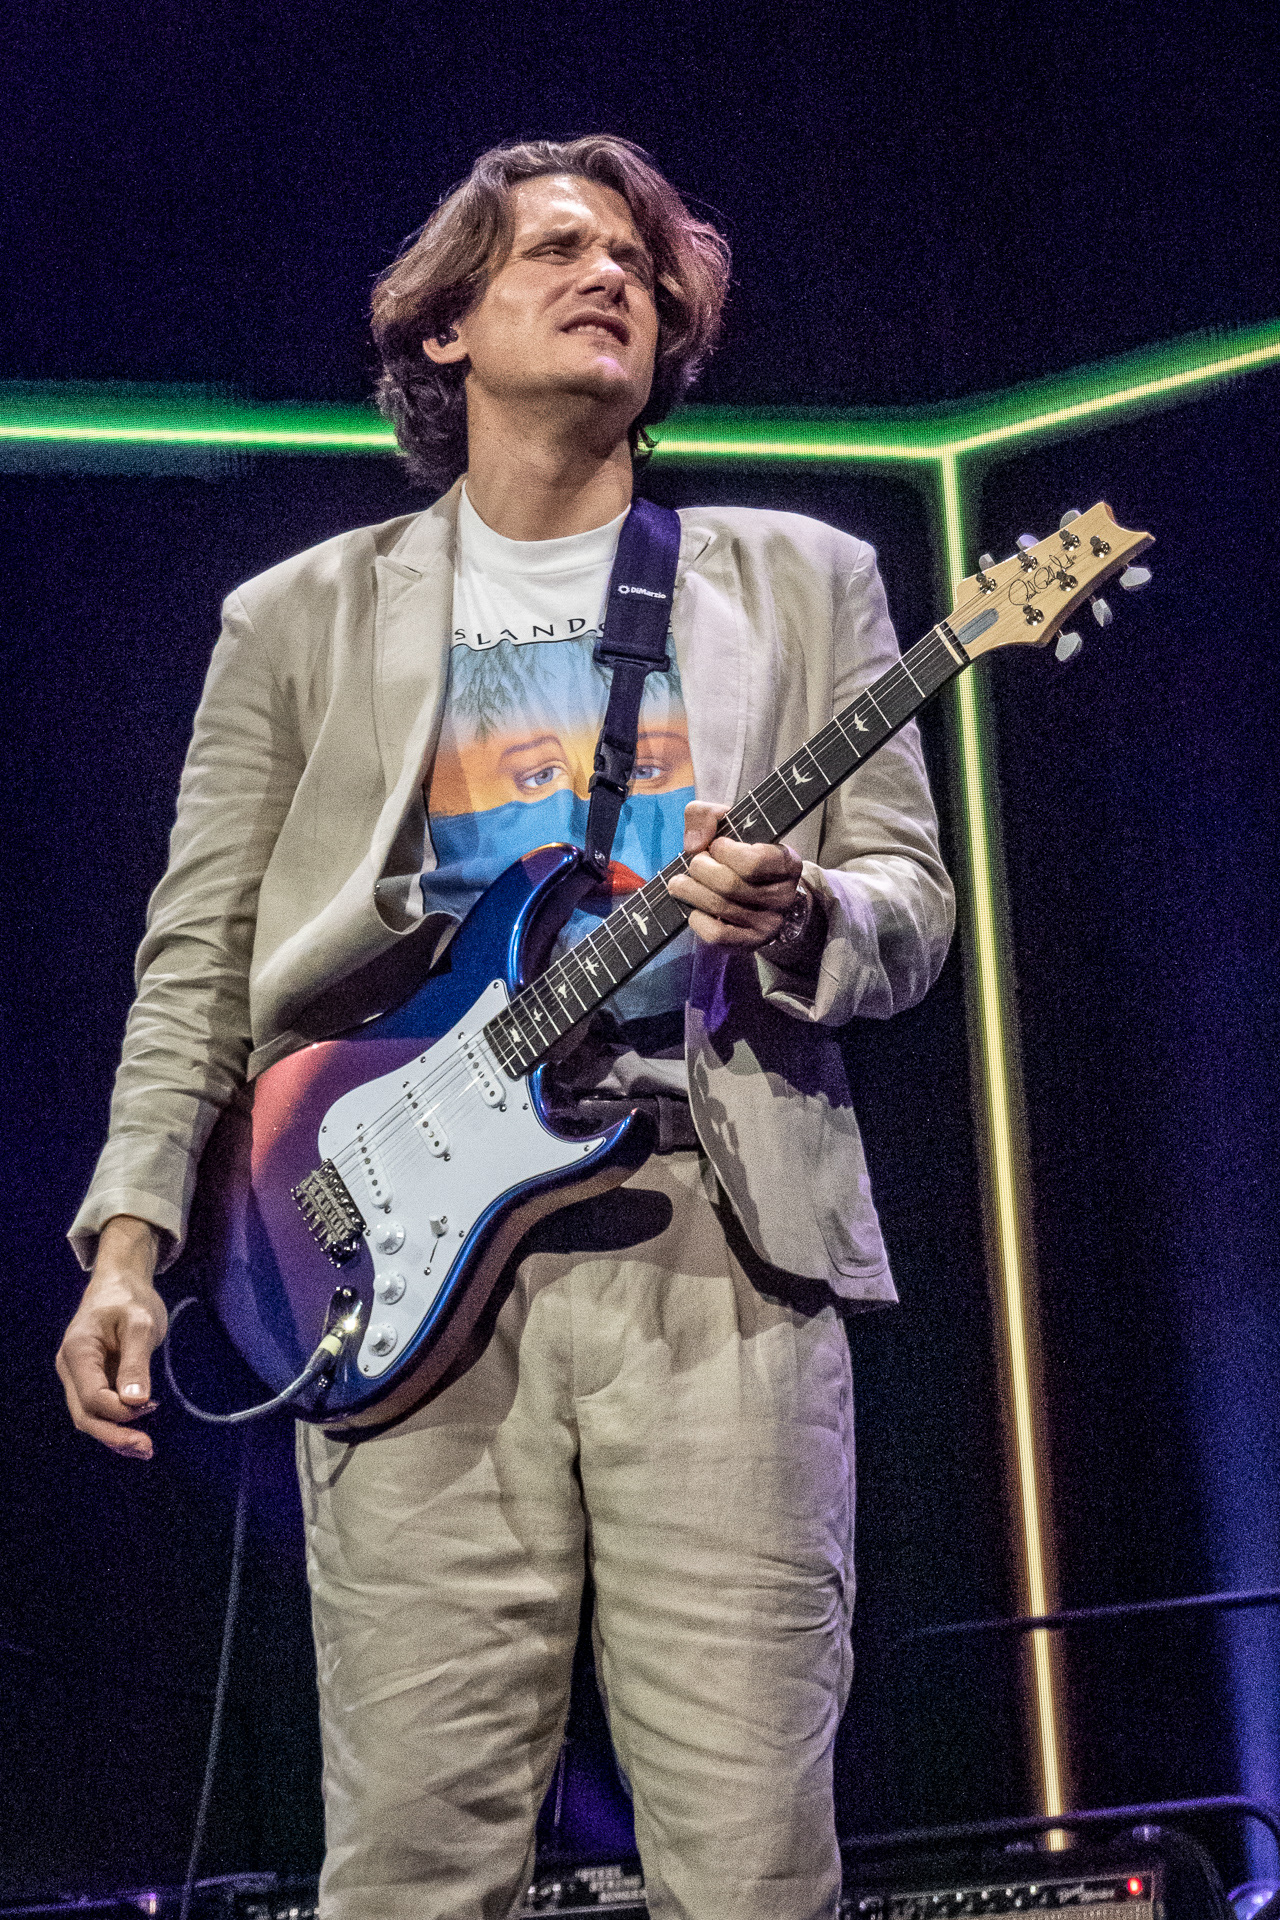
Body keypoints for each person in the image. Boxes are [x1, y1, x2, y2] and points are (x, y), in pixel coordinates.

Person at [56, 137, 954, 1920]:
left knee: (753, 1858)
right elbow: (198, 952)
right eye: (552, 249)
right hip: (390, 1252)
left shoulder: (803, 580)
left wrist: (804, 915)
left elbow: (911, 903)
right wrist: (133, 1240)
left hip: (716, 1232)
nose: (606, 273)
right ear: (446, 327)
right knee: (413, 1852)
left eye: (632, 258)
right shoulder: (298, 618)